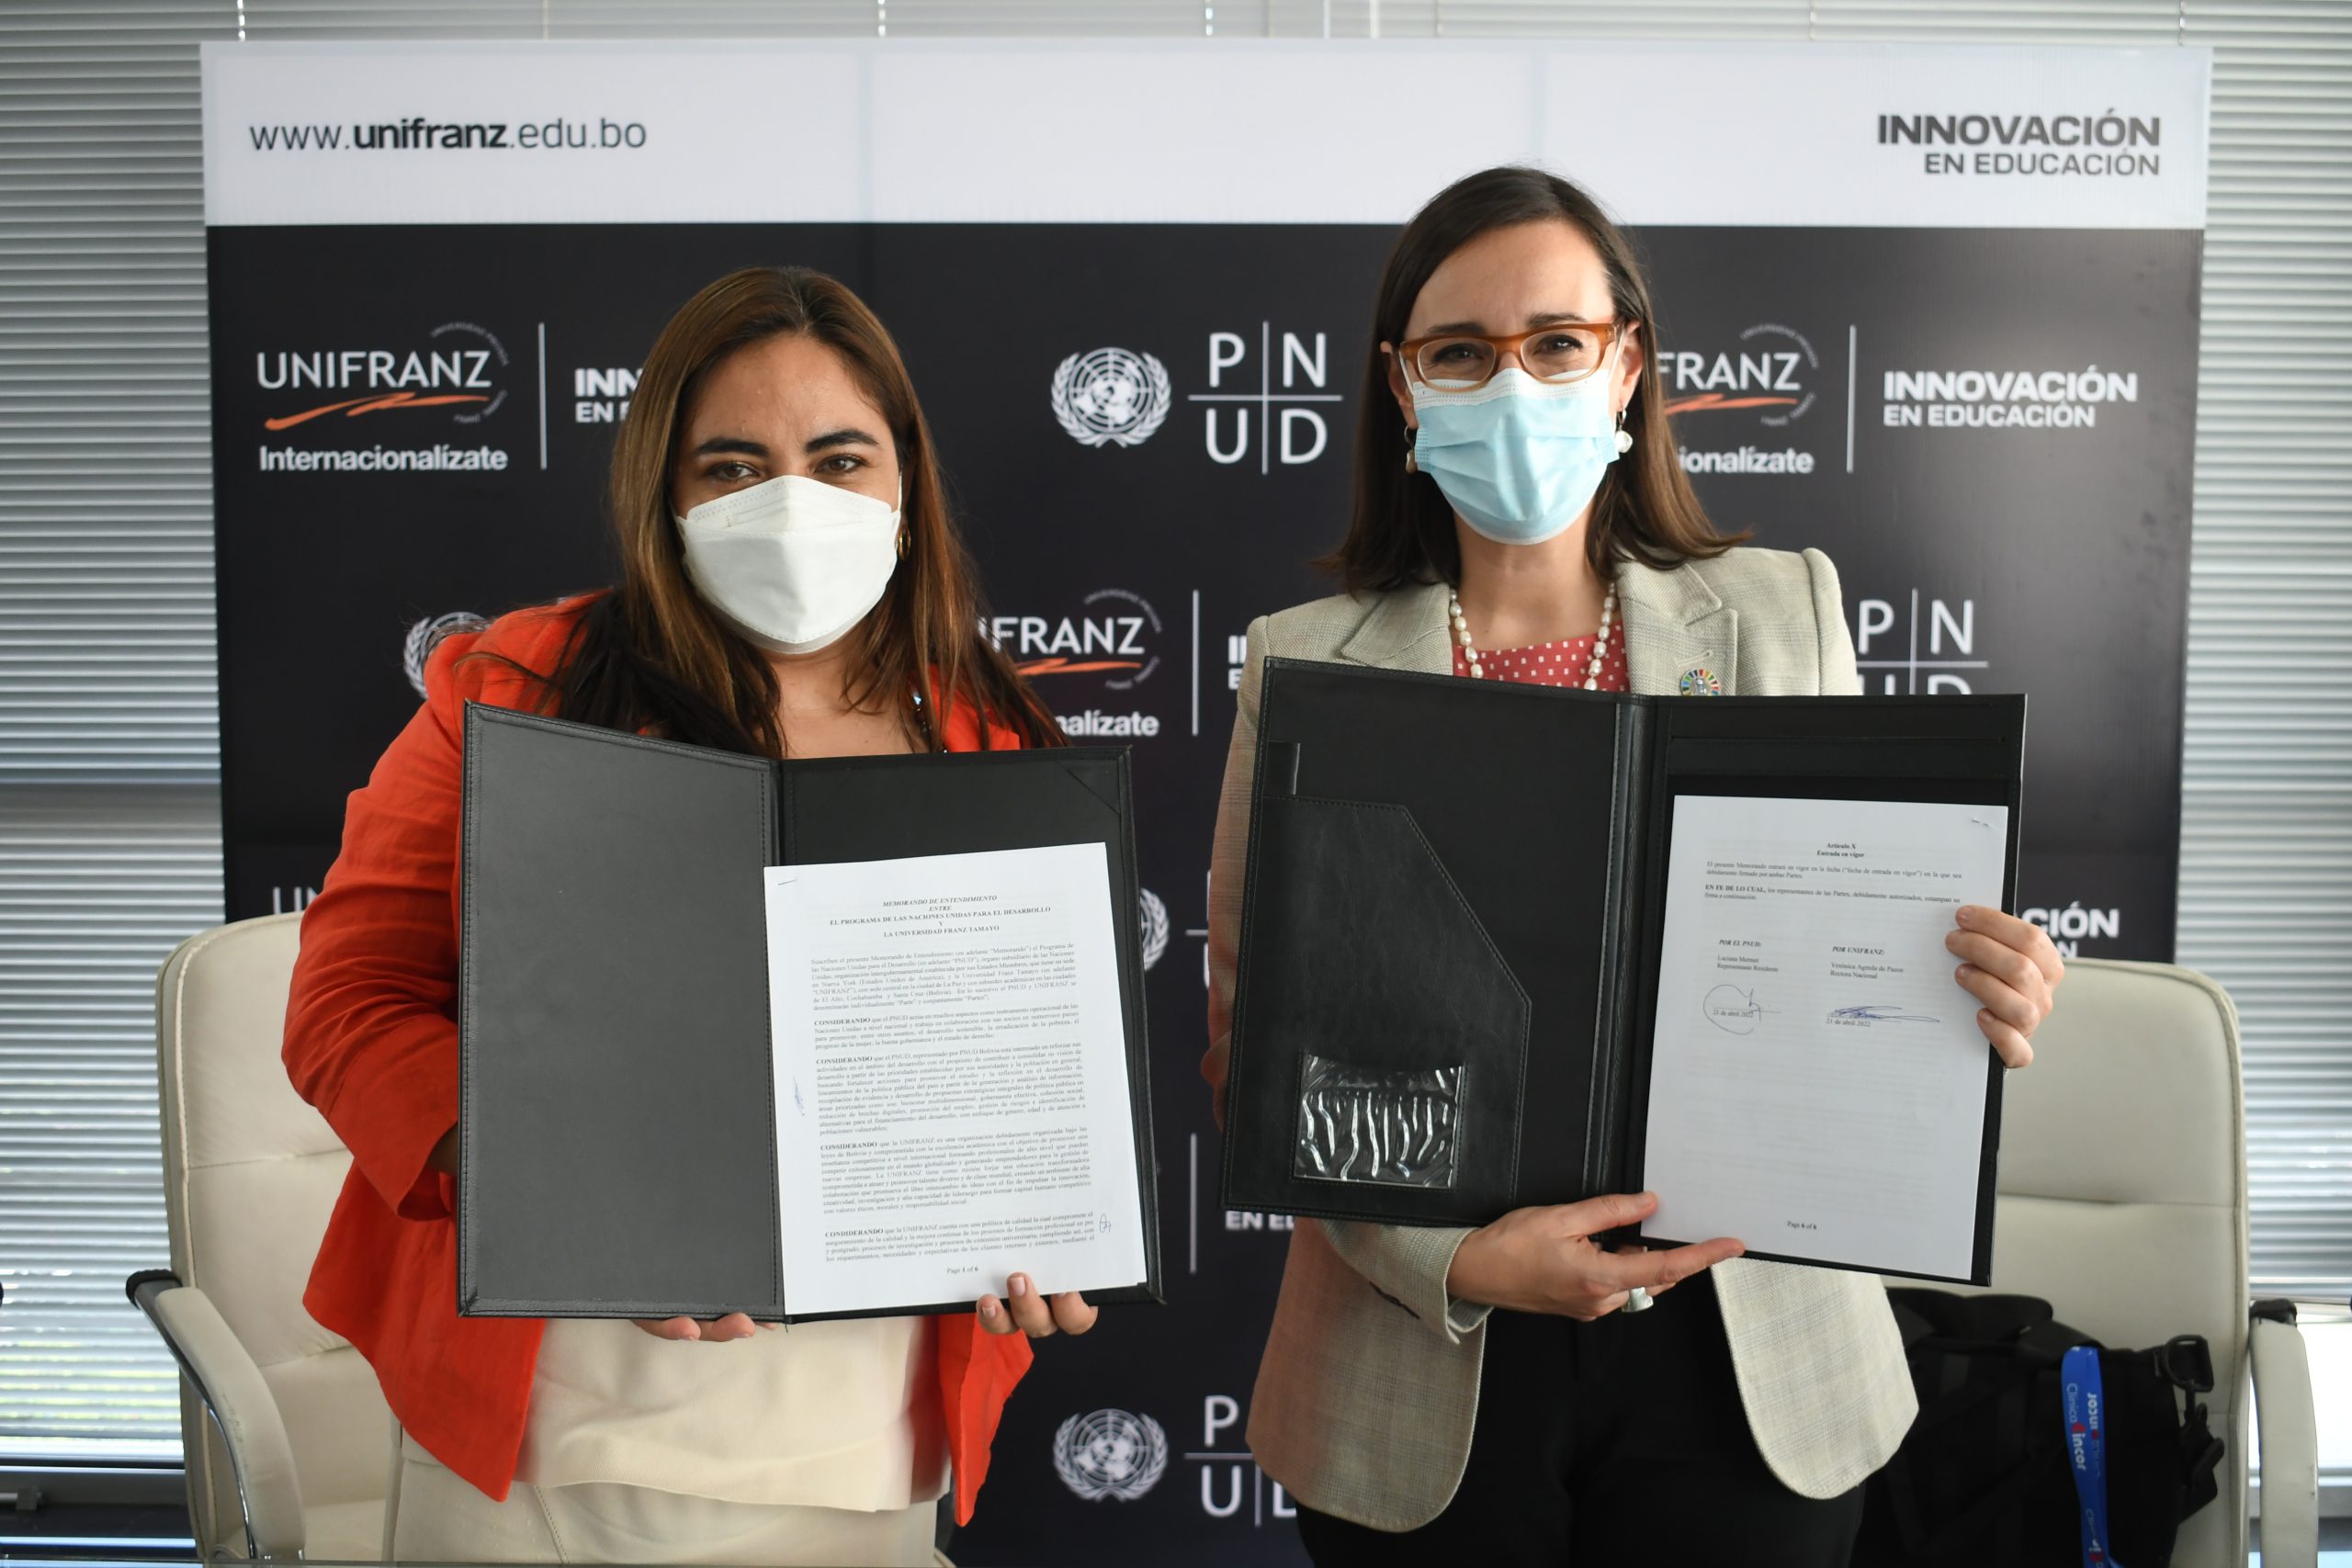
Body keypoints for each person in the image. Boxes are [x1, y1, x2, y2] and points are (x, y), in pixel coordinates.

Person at [1202, 166, 2066, 1565]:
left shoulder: (1786, 615)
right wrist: (1458, 1260)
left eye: (1558, 342)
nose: (1514, 382)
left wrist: (1974, 986)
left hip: (1751, 1346)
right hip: (1422, 1355)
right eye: (1461, 352)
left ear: (1627, 366)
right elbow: (1256, 1048)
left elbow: (1879, 940)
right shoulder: (1301, 665)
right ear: (1404, 388)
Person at [283, 265, 1096, 1568]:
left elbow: (1023, 1074)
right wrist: (575, 1203)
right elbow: (349, 1005)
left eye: (840, 459)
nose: (793, 502)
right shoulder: (515, 686)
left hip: (865, 1447)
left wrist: (1047, 1218)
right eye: (734, 467)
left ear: (906, 487)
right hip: (550, 1444)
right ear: (665, 493)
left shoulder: (992, 732)